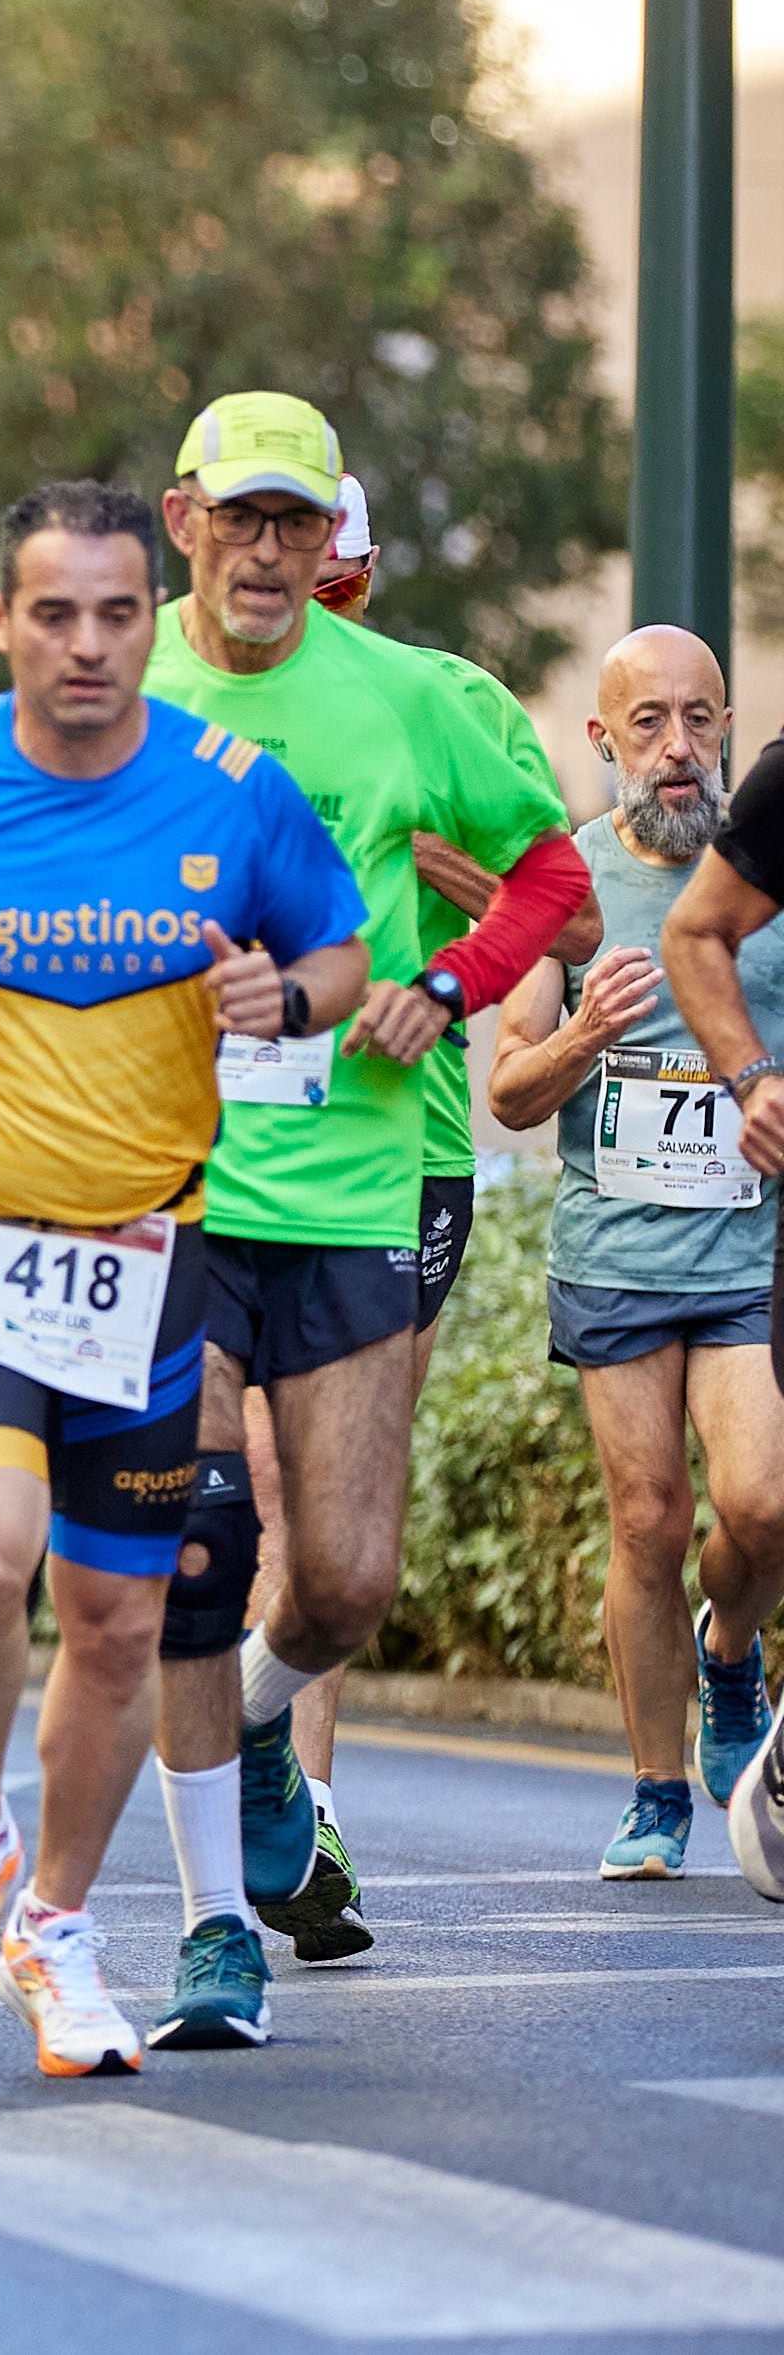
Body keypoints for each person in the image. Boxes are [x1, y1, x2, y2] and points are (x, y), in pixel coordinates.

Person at [0, 479, 368, 2075]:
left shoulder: (231, 788)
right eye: (56, 613)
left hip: (142, 1254)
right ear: (5, 619)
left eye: (115, 612)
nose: (90, 645)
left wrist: (282, 995)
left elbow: (342, 954)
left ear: (137, 619)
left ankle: (63, 1926)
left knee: (112, 1618)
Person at [134, 392, 585, 2035]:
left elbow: (552, 873)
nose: (267, 548)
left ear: (335, 541)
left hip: (356, 1184)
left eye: (297, 521)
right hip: (162, 1189)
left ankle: (262, 1722)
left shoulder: (416, 699)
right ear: (184, 519)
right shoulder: (119, 691)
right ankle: (209, 1925)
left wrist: (451, 982)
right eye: (240, 516)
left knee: (344, 1579)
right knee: (199, 1538)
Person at [493, 628, 784, 1875]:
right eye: (649, 725)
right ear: (602, 742)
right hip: (614, 1252)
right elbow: (508, 1088)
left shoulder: (765, 871)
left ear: (726, 726)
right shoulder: (557, 883)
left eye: (700, 720)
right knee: (648, 1521)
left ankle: (730, 1655)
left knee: (763, 1507)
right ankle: (657, 1792)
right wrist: (581, 1038)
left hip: (749, 1249)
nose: (680, 749)